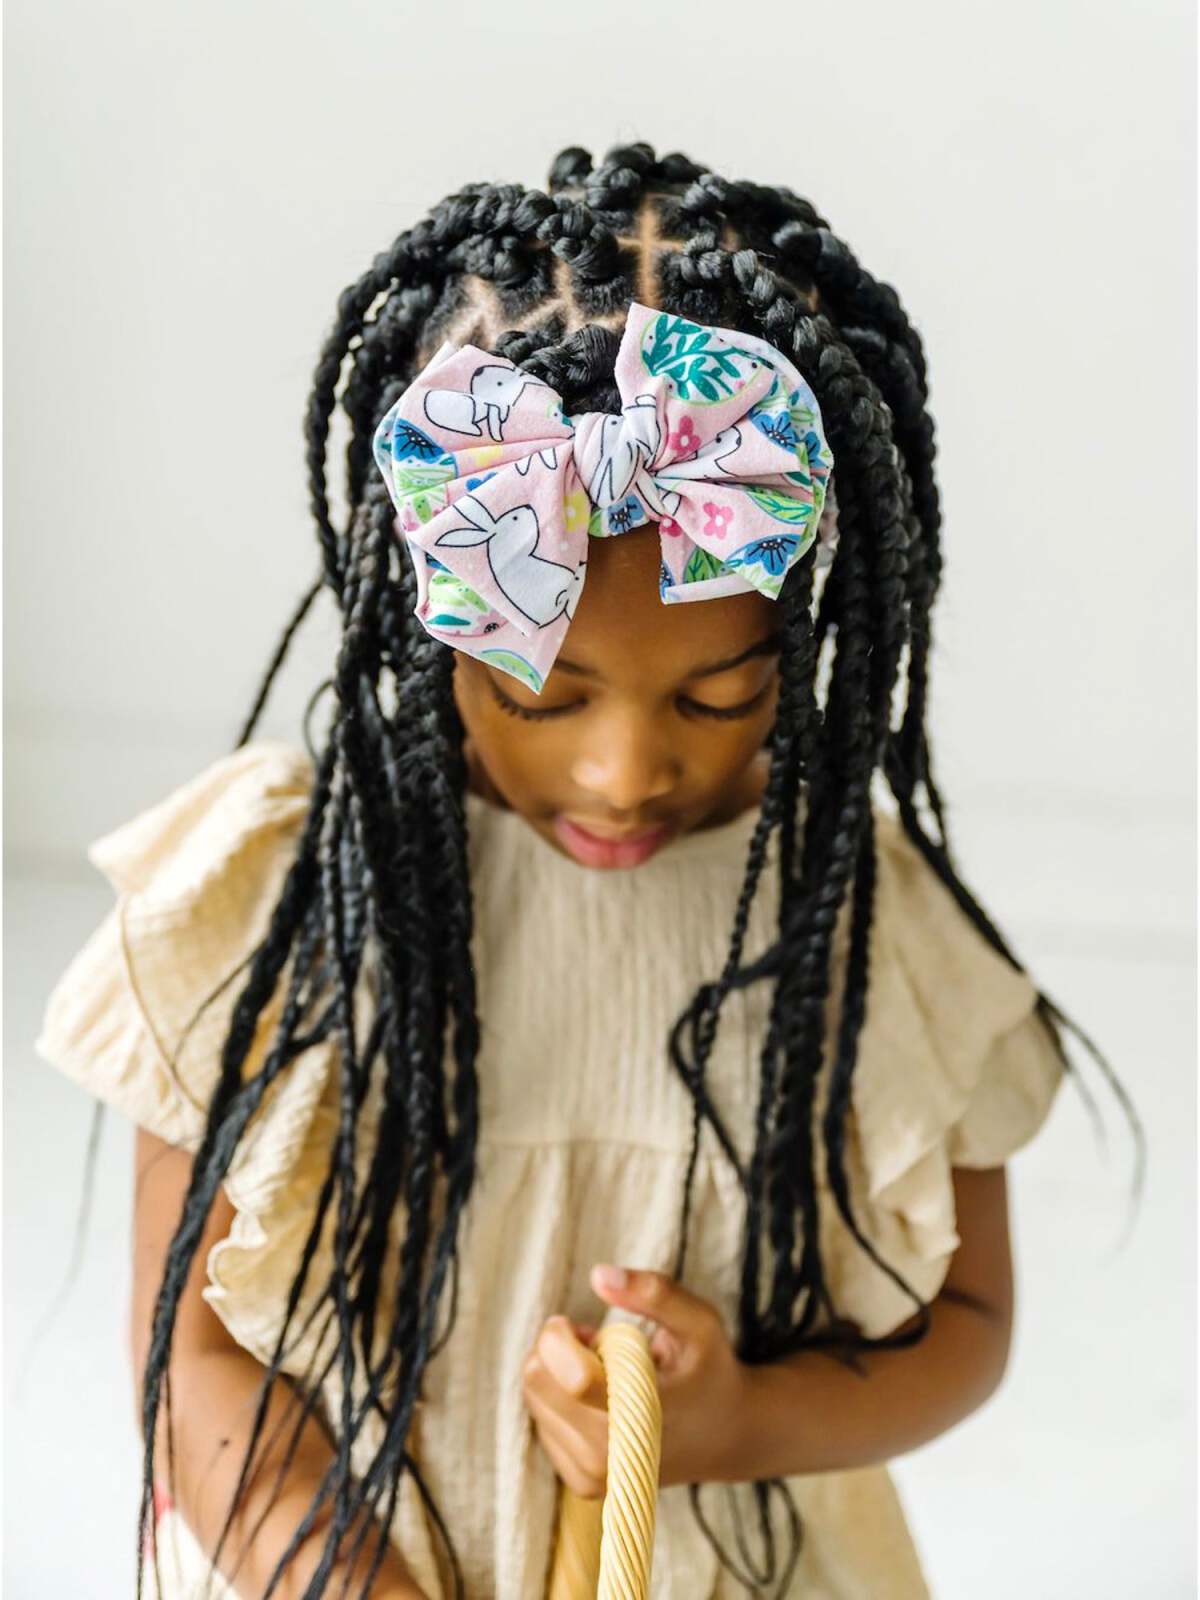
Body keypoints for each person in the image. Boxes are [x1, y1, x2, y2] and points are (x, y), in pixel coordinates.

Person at [34, 141, 1141, 1600]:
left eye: (716, 697)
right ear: (432, 632)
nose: (627, 773)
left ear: (805, 646)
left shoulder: (853, 926)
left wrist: (740, 1419)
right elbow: (190, 1363)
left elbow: (972, 1319)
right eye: (547, 699)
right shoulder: (281, 899)